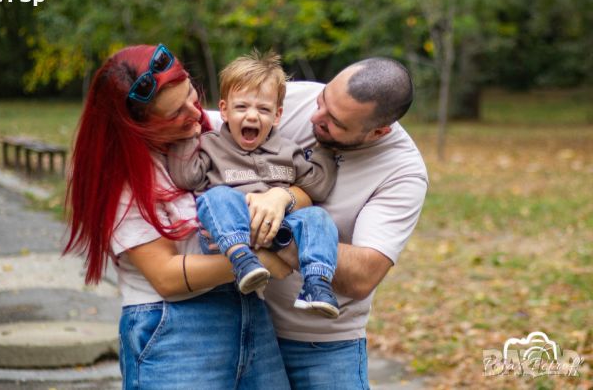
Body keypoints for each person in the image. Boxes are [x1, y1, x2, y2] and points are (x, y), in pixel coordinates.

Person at [62, 43, 291, 389]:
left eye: (192, 94)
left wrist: (281, 196)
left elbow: (306, 120)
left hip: (249, 313)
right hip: (174, 329)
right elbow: (165, 276)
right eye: (174, 114)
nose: (195, 112)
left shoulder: (214, 125)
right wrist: (260, 261)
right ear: (137, 127)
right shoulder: (120, 178)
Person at [207, 57, 428, 389]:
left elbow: (363, 274)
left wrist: (271, 229)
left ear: (377, 132)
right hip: (242, 325)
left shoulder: (402, 173)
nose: (314, 116)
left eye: (334, 122)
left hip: (322, 345)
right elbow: (197, 123)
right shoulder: (296, 99)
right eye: (323, 101)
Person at [167, 51, 341, 318]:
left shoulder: (288, 150)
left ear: (277, 115)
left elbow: (316, 186)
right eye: (242, 107)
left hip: (278, 231)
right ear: (224, 110)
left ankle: (317, 282)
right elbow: (186, 177)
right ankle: (243, 260)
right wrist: (186, 135)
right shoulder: (211, 145)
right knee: (216, 196)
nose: (252, 116)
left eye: (263, 109)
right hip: (225, 233)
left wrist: (325, 149)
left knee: (318, 216)